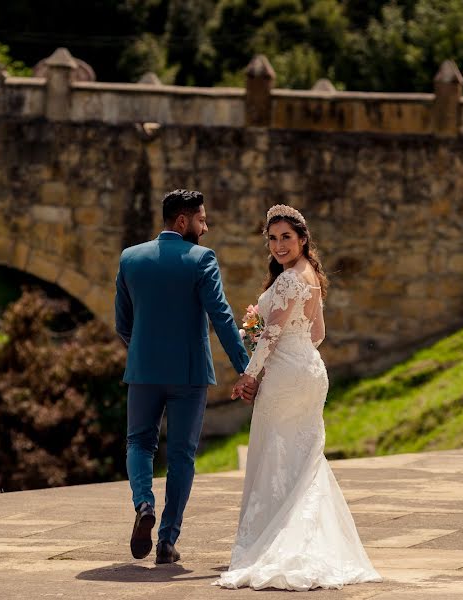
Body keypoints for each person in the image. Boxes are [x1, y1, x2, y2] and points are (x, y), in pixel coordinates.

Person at [215, 204, 382, 591]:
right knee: (303, 460)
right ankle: (308, 540)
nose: (278, 245)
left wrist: (248, 375)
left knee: (276, 455)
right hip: (309, 372)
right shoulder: (310, 277)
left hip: (286, 378)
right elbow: (318, 334)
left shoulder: (291, 278)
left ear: (303, 238)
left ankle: (277, 543)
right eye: (272, 239)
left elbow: (272, 335)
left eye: (286, 237)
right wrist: (290, 348)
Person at [115, 189, 257, 565]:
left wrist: (144, 350)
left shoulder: (130, 259)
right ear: (183, 221)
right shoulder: (201, 259)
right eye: (202, 220)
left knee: (138, 443)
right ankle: (166, 540)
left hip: (143, 372)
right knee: (181, 455)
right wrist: (246, 367)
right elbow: (222, 317)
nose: (205, 228)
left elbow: (122, 323)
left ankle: (143, 502)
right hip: (190, 374)